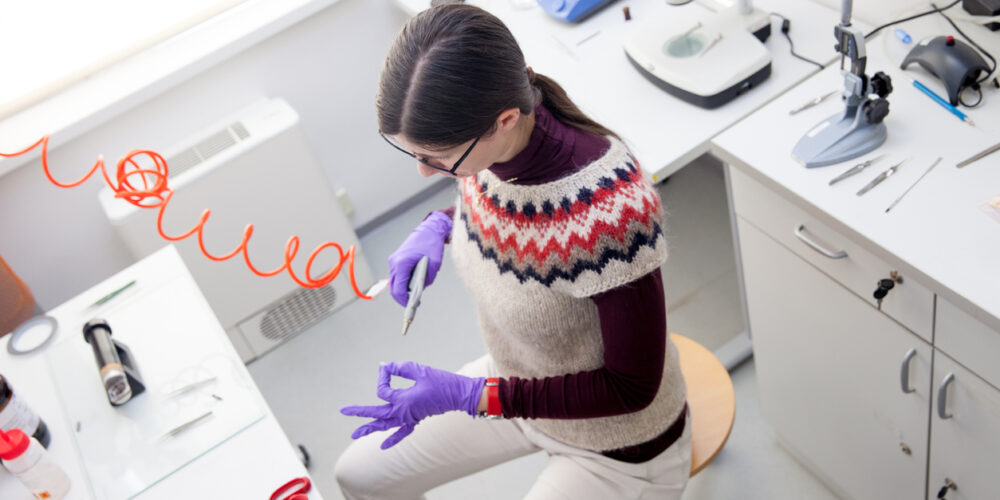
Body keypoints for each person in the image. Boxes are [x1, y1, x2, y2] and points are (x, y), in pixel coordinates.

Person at [335, 4, 689, 499]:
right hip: (520, 379)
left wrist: (474, 397)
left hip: (618, 446)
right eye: (413, 153)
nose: (423, 171)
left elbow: (630, 389)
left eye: (435, 157)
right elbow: (513, 212)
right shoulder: (489, 150)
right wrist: (438, 224)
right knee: (357, 474)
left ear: (504, 120)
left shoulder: (609, 213)